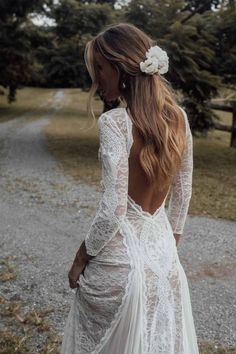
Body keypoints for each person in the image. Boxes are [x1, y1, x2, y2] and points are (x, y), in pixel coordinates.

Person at [60, 23, 199, 354]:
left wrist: (80, 258)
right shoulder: (179, 118)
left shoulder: (114, 123)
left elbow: (112, 211)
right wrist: (166, 252)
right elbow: (183, 197)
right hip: (166, 268)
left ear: (121, 68)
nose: (97, 80)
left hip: (119, 270)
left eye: (100, 69)